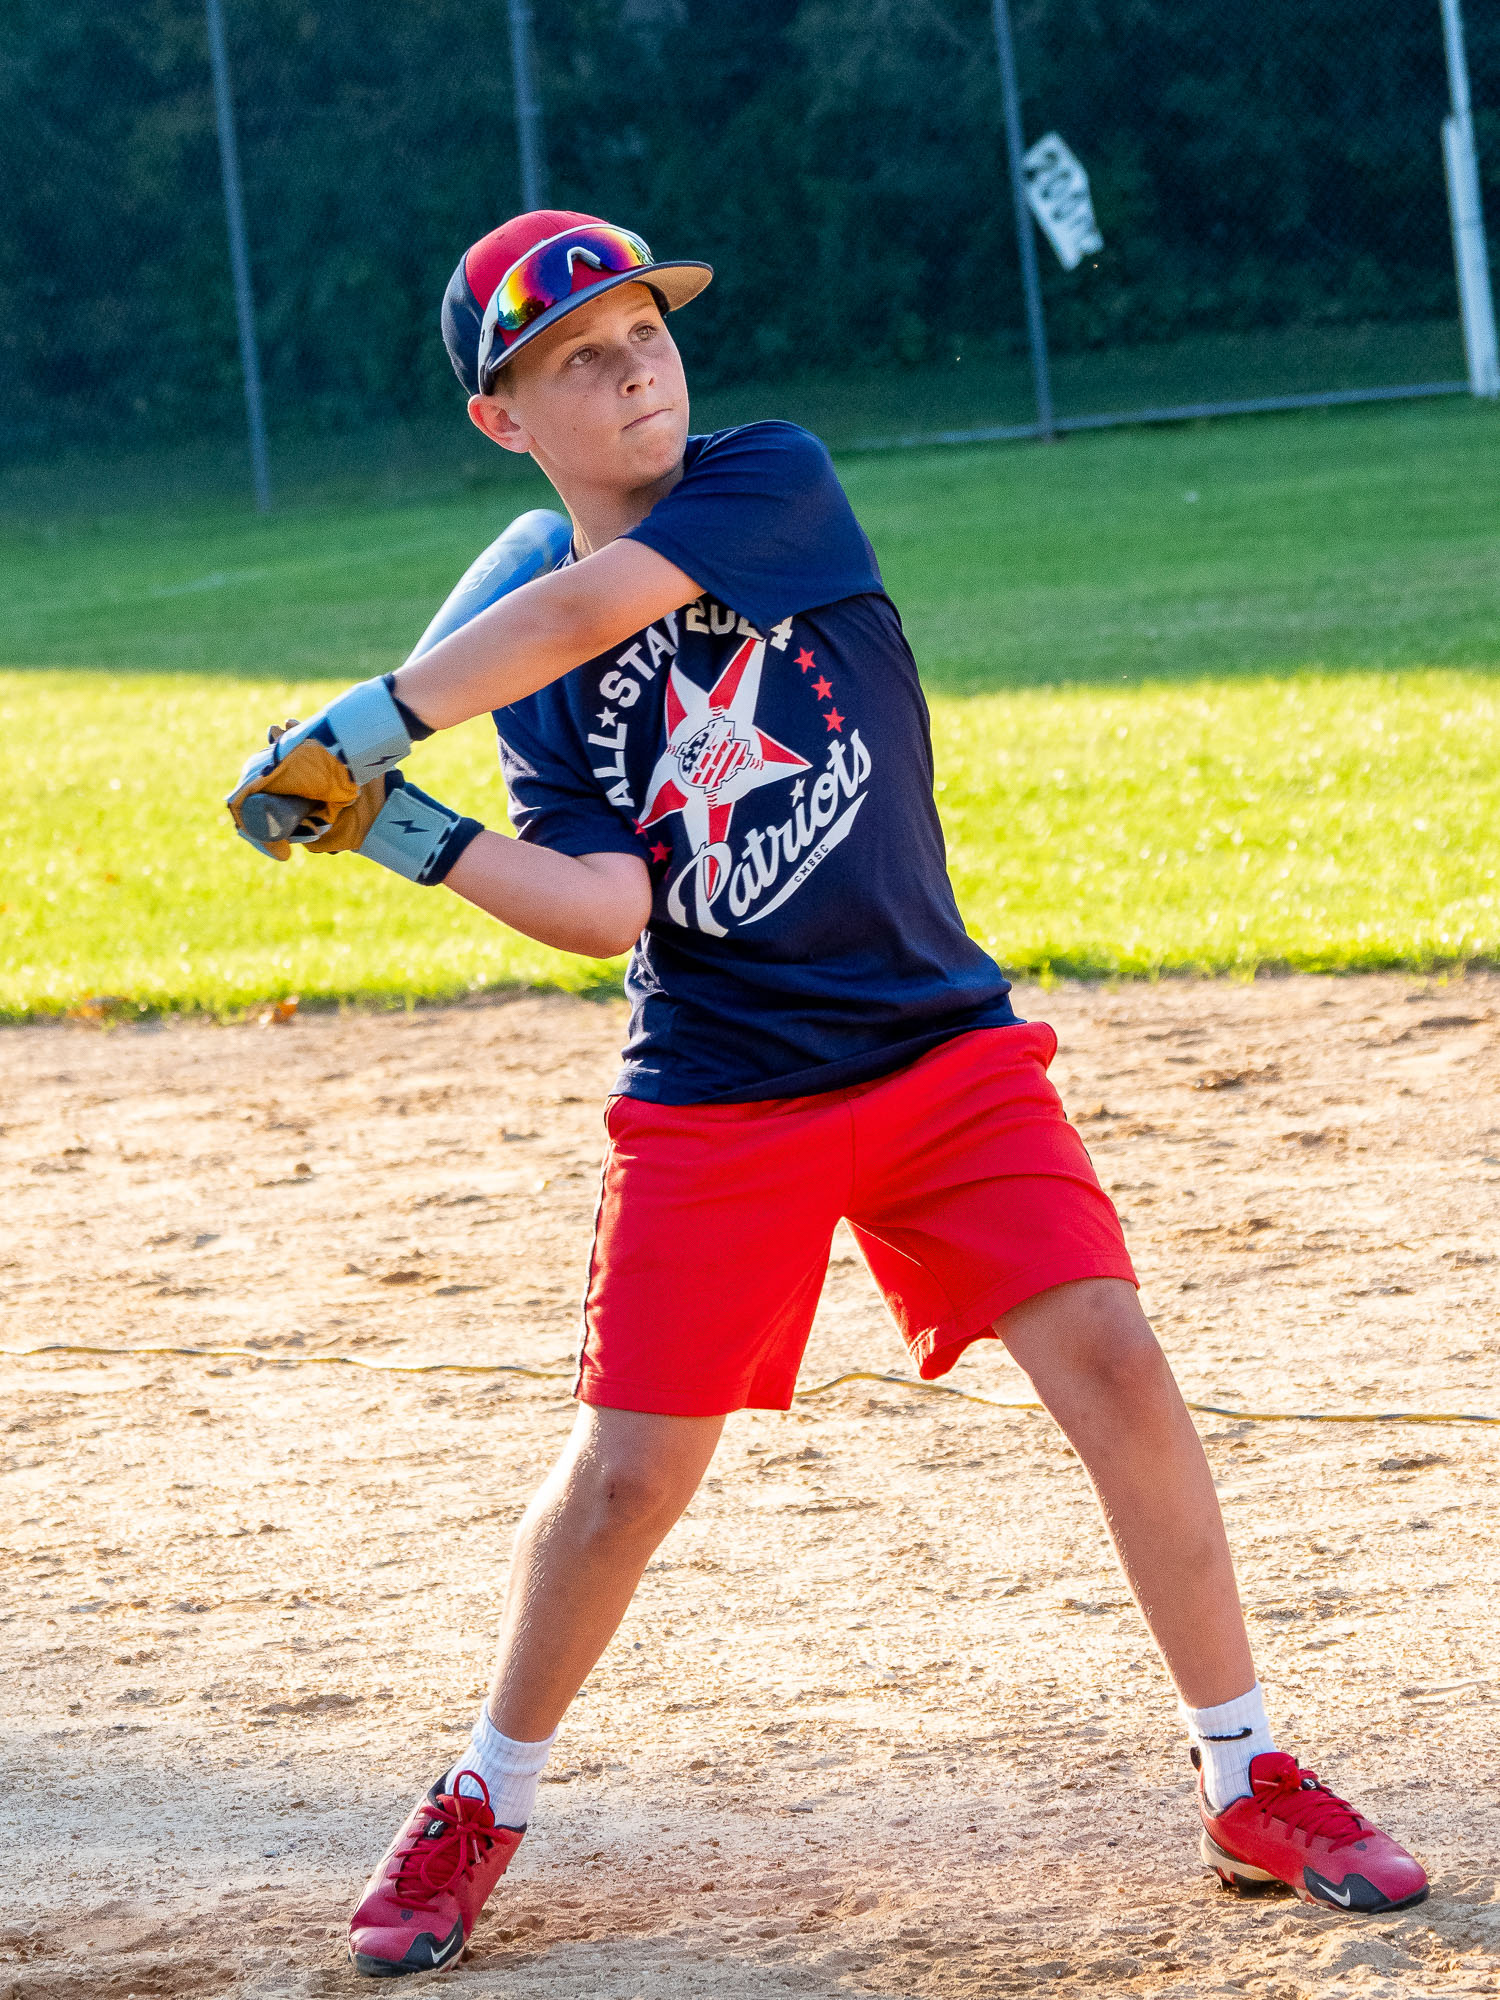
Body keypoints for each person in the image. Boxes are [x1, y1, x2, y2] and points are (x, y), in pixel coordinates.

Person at [227, 211, 1429, 1980]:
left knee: (1113, 1358)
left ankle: (1249, 1769)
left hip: (939, 1049)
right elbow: (604, 909)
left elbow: (584, 603)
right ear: (506, 420)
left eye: (645, 332)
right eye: (580, 358)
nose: (636, 366)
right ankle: (484, 1793)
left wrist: (371, 715)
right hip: (725, 1090)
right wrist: (401, 826)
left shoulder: (766, 482)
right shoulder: (541, 690)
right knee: (631, 1475)